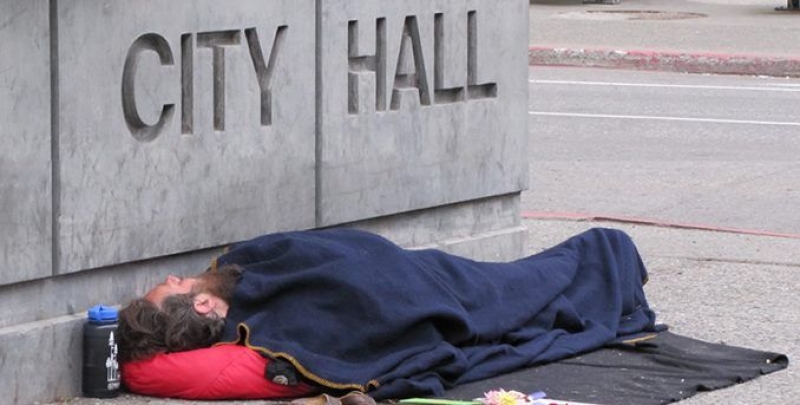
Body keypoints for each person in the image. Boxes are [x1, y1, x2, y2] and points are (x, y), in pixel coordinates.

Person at [118, 227, 660, 399]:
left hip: (421, 270)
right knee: (544, 280)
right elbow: (362, 312)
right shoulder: (271, 326)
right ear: (205, 305)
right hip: (433, 295)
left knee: (517, 281)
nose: (173, 276)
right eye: (175, 287)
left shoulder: (243, 269)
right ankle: (605, 255)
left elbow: (330, 247)